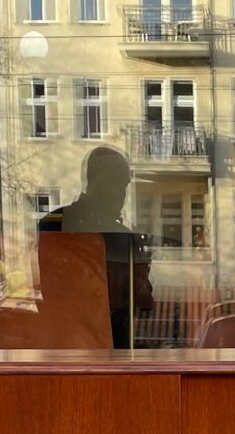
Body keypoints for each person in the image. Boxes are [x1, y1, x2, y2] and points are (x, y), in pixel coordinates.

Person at [39, 146, 153, 347]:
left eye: (124, 185)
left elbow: (143, 301)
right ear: (91, 181)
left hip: (115, 345)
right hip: (68, 343)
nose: (121, 193)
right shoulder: (56, 223)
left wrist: (141, 274)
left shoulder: (125, 236)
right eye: (113, 182)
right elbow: (53, 291)